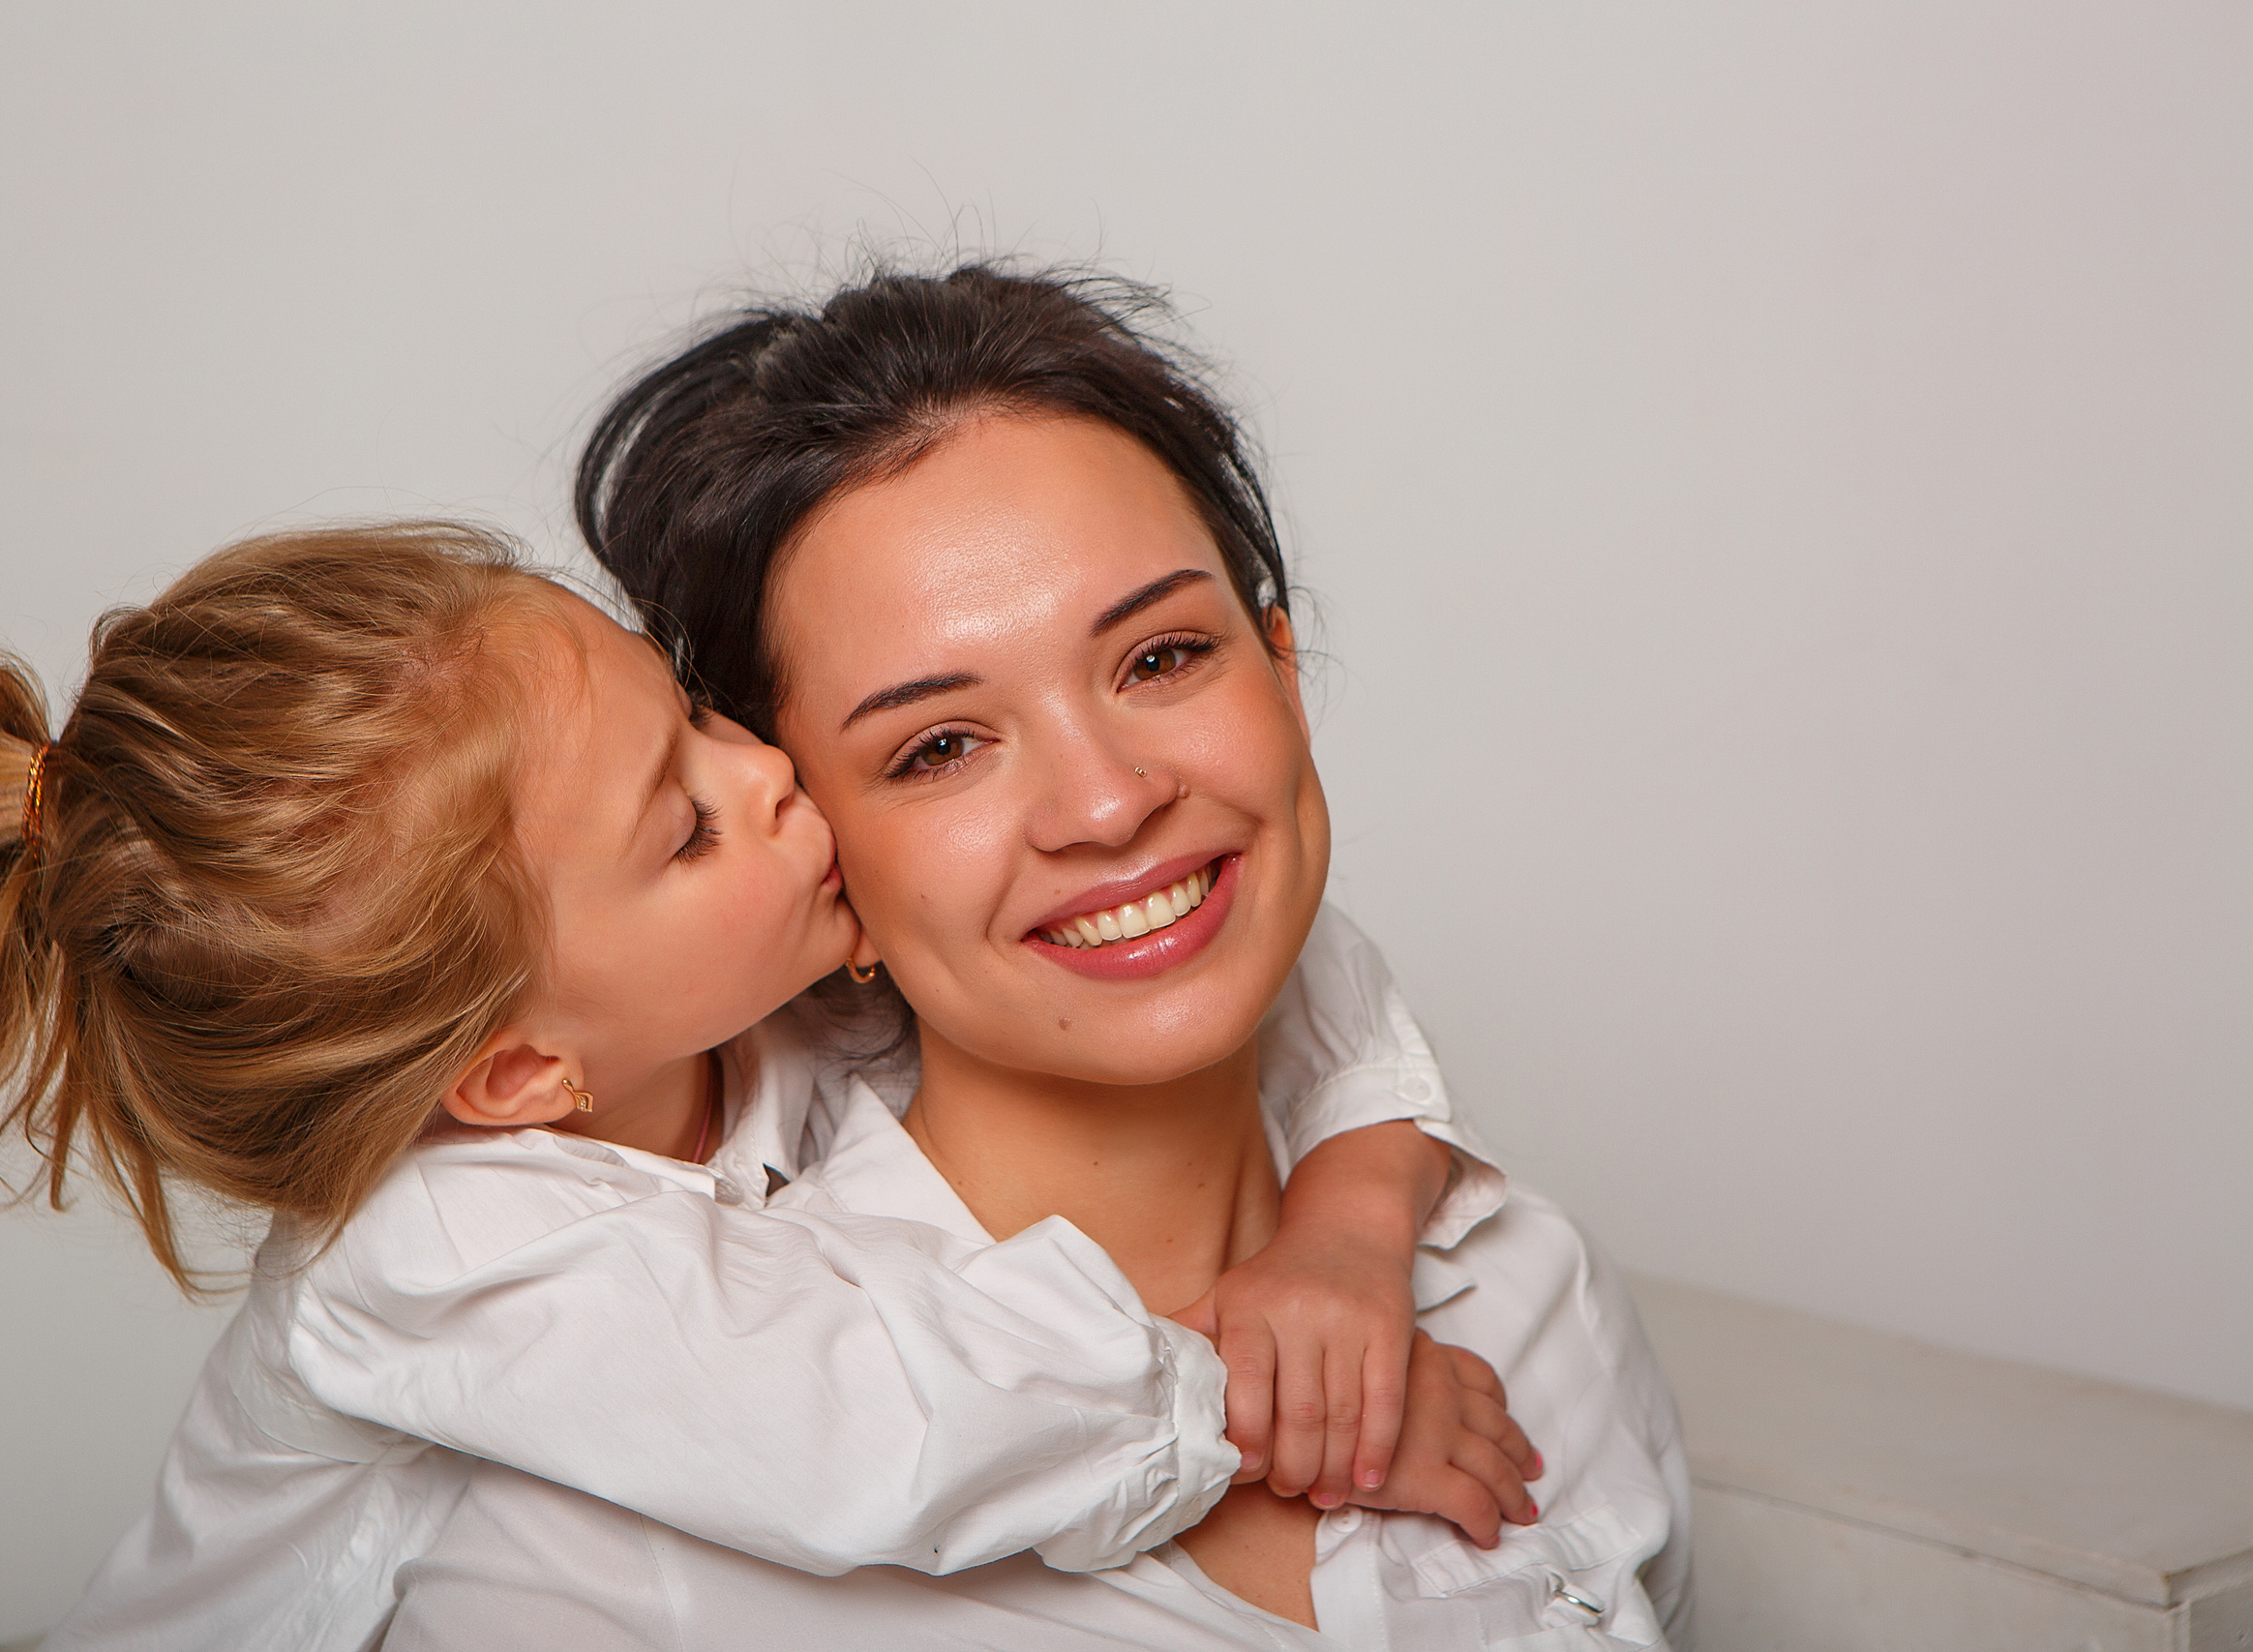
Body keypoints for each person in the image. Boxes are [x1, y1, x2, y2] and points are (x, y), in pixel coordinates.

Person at [0, 523, 1533, 1652]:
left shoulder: (745, 1008)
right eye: (686, 824)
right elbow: (875, 1433)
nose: (772, 774)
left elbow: (1258, 944)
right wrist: (1247, 1409)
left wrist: (1354, 1222)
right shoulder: (440, 1255)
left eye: (693, 714)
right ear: (524, 1070)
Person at [376, 263, 1691, 1648]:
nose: (1110, 803)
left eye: (1163, 657)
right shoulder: (618, 1537)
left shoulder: (1533, 1297)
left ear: (1284, 671)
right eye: (939, 748)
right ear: (822, 853)